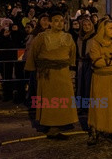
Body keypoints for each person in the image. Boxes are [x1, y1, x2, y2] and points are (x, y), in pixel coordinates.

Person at [24, 11, 78, 139]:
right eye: (56, 20)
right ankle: (50, 126)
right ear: (50, 23)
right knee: (49, 101)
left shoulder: (68, 37)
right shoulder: (42, 37)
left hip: (63, 73)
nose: (59, 23)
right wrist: (35, 68)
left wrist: (69, 65)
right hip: (47, 74)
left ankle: (60, 123)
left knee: (62, 99)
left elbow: (72, 54)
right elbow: (33, 53)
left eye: (61, 21)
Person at [76, 17, 96, 112]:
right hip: (81, 62)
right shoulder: (79, 36)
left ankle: (88, 106)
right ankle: (80, 105)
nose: (86, 27)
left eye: (88, 25)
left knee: (89, 84)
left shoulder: (95, 37)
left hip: (90, 62)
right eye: (84, 25)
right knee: (80, 85)